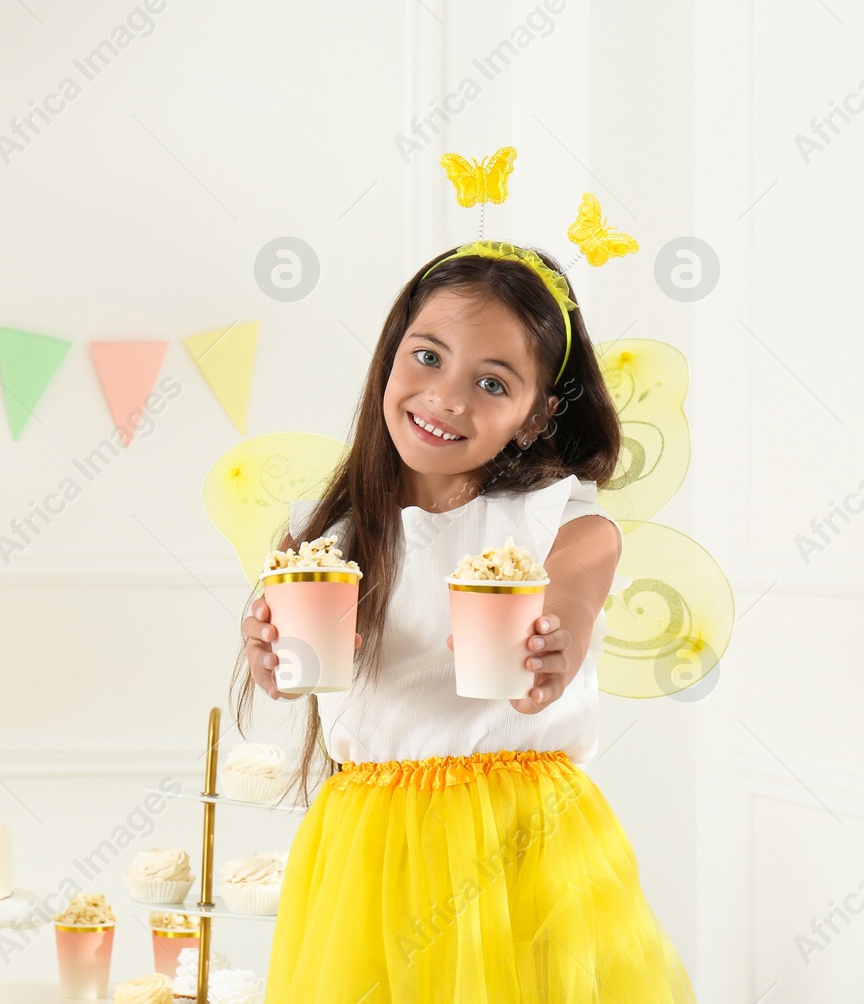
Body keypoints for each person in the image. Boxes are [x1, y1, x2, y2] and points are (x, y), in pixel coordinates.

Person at [239, 241, 695, 1002]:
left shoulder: (565, 525)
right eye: (427, 356)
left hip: (521, 842)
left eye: (492, 382)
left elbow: (567, 612)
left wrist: (548, 658)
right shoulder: (323, 536)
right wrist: (272, 660)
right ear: (390, 356)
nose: (447, 398)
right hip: (368, 849)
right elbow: (294, 673)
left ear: (537, 415)